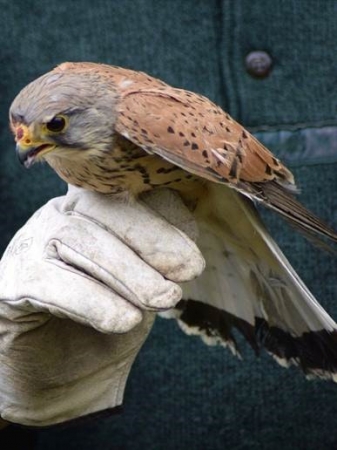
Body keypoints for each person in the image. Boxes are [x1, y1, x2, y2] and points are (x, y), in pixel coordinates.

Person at [1, 1, 337, 449]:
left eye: (55, 127)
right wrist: (7, 389)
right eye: (22, 134)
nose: (30, 149)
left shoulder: (144, 115)